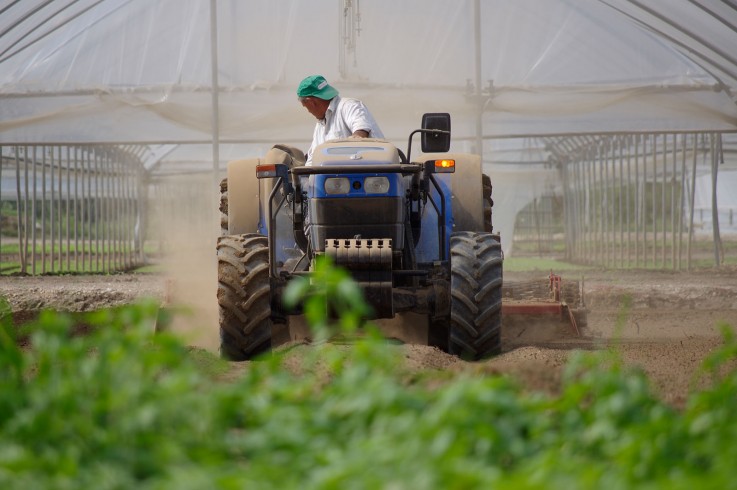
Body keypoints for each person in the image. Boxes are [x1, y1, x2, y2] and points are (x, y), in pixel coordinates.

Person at [297, 75, 384, 165]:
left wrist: (354, 139)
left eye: (305, 106)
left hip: (374, 174)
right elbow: (312, 160)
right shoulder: (320, 126)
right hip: (339, 177)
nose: (308, 111)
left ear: (311, 102)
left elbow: (361, 132)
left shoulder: (349, 106)